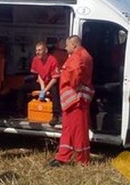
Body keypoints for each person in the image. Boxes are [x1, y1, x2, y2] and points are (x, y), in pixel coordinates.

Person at [48, 35, 94, 167]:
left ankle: (82, 159)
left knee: (78, 131)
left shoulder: (78, 57)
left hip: (76, 100)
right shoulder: (85, 55)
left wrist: (63, 73)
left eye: (67, 45)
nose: (65, 48)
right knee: (68, 129)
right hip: (75, 100)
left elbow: (74, 76)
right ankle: (63, 156)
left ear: (74, 45)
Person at [30, 41, 61, 124]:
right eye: (36, 50)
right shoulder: (36, 59)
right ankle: (20, 112)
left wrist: (45, 90)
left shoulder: (52, 60)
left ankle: (55, 115)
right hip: (42, 83)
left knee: (55, 91)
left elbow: (55, 79)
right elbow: (38, 74)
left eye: (40, 50)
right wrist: (42, 88)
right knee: (22, 88)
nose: (37, 52)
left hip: (51, 83)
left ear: (46, 50)